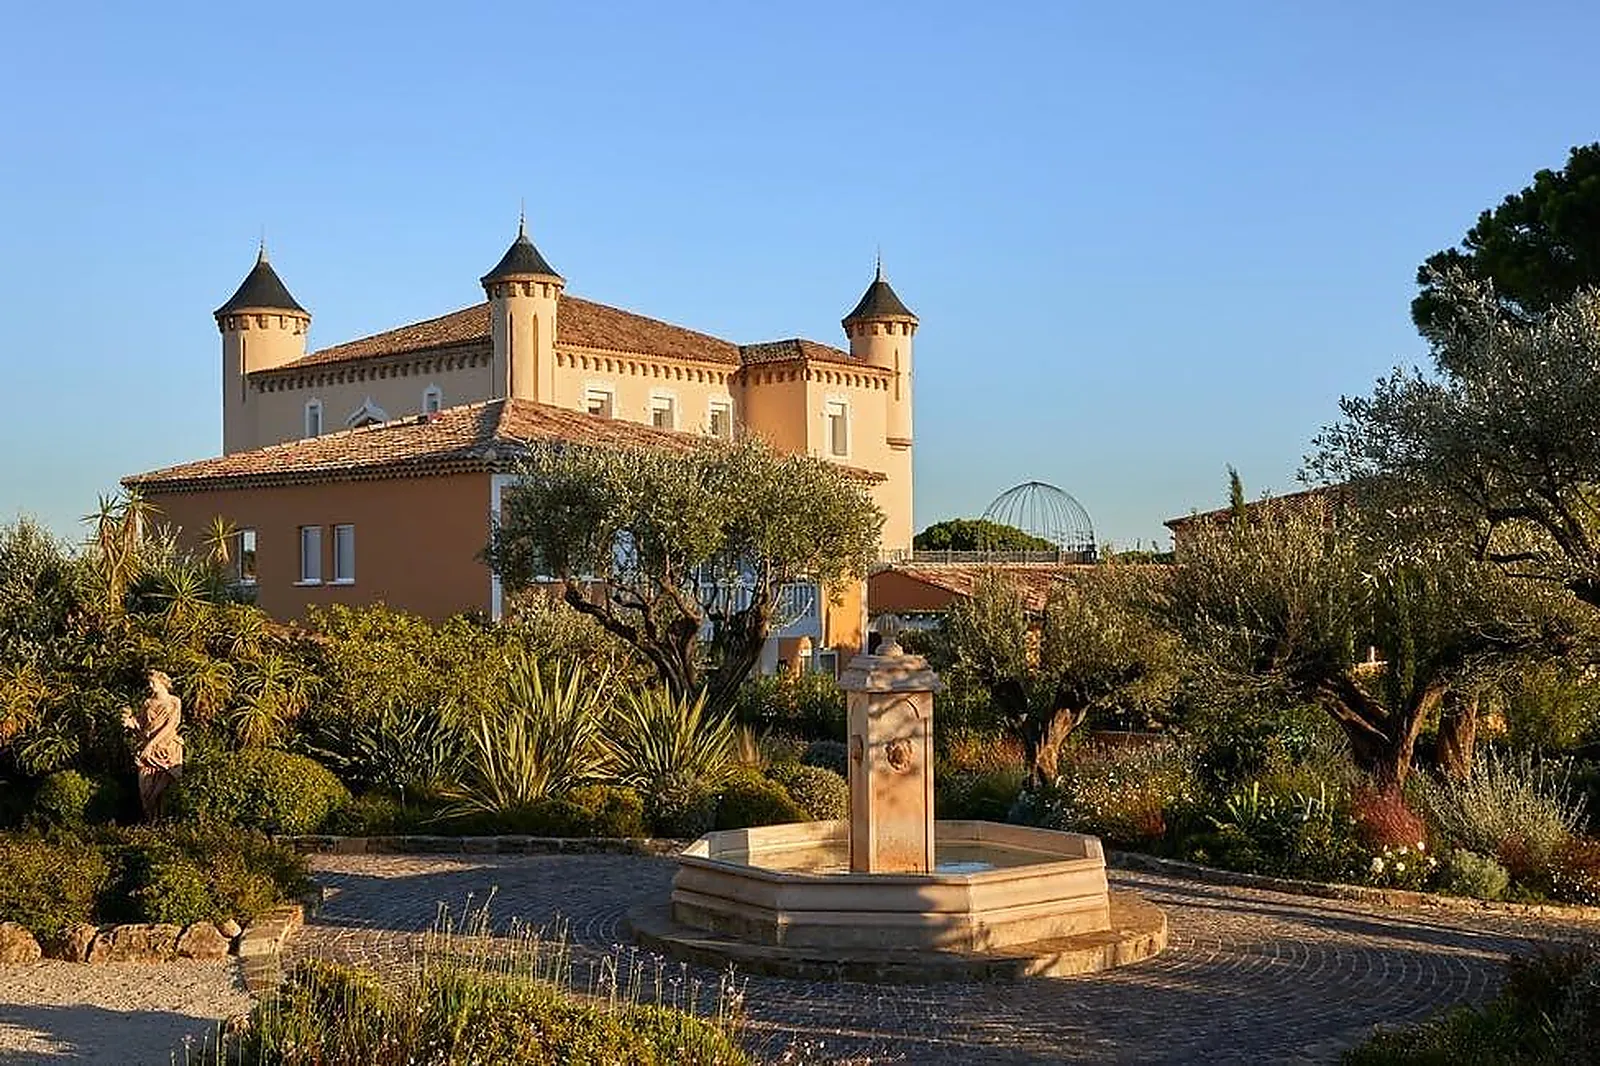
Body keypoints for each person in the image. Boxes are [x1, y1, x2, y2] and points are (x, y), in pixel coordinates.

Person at [122, 669, 184, 819]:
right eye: (149, 683)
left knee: (164, 790)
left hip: (167, 749)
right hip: (147, 752)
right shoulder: (148, 703)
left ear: (162, 683)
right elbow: (140, 724)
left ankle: (165, 824)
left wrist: (151, 746)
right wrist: (129, 722)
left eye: (153, 682)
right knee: (146, 791)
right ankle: (151, 823)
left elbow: (170, 726)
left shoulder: (174, 702)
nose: (151, 686)